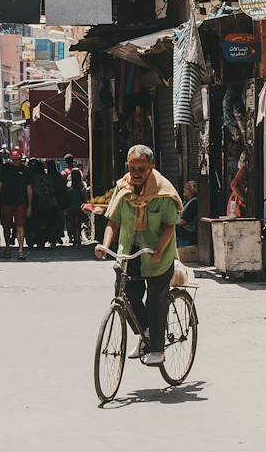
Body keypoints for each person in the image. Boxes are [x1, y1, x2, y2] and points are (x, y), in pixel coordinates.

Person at [95, 145, 183, 366]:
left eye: (141, 168)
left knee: (155, 299)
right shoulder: (123, 188)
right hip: (130, 251)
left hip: (157, 253)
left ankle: (157, 348)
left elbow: (170, 226)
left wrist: (159, 251)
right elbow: (113, 221)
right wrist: (104, 246)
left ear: (151, 167)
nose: (135, 173)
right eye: (132, 167)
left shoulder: (163, 191)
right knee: (127, 295)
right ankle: (145, 333)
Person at [0, 149, 33, 260]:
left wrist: (30, 205)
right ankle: (8, 247)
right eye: (14, 160)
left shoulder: (26, 170)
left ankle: (20, 250)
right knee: (6, 227)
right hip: (6, 202)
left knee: (20, 226)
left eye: (17, 160)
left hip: (21, 203)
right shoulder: (4, 169)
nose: (16, 162)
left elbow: (29, 188)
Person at [66, 169, 89, 246]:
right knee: (78, 223)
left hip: (71, 207)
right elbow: (85, 197)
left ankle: (73, 238)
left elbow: (67, 197)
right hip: (79, 207)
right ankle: (78, 239)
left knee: (72, 223)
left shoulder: (69, 185)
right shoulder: (83, 185)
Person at [176, 181, 199, 248]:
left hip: (187, 235)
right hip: (181, 235)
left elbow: (183, 221)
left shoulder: (193, 203)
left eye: (186, 188)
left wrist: (172, 222)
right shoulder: (186, 202)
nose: (184, 189)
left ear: (191, 191)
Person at [227, 151, 248, 217]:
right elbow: (233, 185)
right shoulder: (244, 170)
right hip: (237, 205)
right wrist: (244, 199)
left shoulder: (242, 170)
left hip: (234, 204)